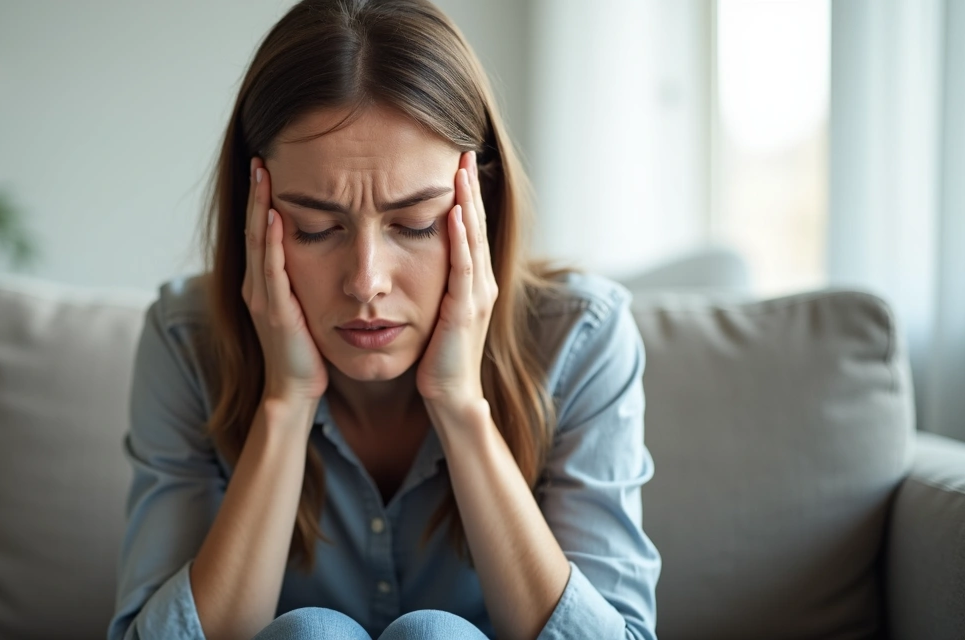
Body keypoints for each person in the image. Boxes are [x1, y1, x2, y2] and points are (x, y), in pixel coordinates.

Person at [107, 1, 661, 638]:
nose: (366, 280)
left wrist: (460, 406)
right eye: (316, 229)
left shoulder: (583, 339)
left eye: (417, 224)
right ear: (255, 212)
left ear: (481, 203)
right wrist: (286, 404)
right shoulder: (187, 341)